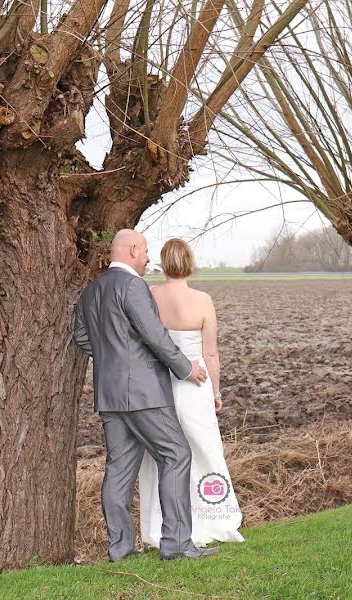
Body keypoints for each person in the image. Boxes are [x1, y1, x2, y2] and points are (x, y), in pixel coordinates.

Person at [73, 229, 220, 561]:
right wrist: (185, 368)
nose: (149, 258)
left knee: (119, 468)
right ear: (133, 249)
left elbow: (82, 336)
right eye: (146, 251)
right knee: (176, 455)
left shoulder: (91, 290)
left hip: (109, 394)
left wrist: (113, 355)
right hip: (144, 393)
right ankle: (177, 544)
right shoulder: (133, 286)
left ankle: (121, 549)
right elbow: (154, 336)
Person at [139, 238, 245, 549]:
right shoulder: (203, 300)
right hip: (195, 385)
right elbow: (211, 354)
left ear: (163, 262)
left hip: (160, 384)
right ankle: (215, 515)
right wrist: (216, 391)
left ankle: (162, 527)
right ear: (190, 263)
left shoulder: (150, 296)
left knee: (162, 457)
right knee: (205, 450)